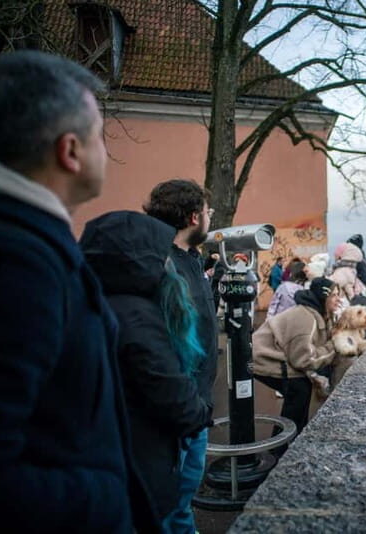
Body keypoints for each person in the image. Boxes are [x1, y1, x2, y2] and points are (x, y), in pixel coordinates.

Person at [0, 51, 158, 531]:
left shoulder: (18, 239)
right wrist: (108, 500)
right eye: (101, 135)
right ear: (70, 151)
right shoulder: (11, 260)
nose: (105, 151)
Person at [81, 211, 214, 526]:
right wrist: (199, 414)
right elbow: (172, 394)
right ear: (141, 257)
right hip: (146, 457)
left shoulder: (92, 304)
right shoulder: (137, 316)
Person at [144, 179, 218, 533]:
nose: (210, 217)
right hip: (176, 410)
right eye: (207, 212)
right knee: (169, 504)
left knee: (182, 500)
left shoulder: (190, 259)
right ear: (193, 218)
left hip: (194, 406)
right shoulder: (161, 266)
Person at [253, 278, 340, 434]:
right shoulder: (306, 318)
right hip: (263, 359)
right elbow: (304, 360)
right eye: (334, 295)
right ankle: (281, 447)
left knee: (301, 390)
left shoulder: (321, 314)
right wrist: (335, 346)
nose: (338, 299)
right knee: (299, 389)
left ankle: (293, 437)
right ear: (323, 297)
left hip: (280, 356)